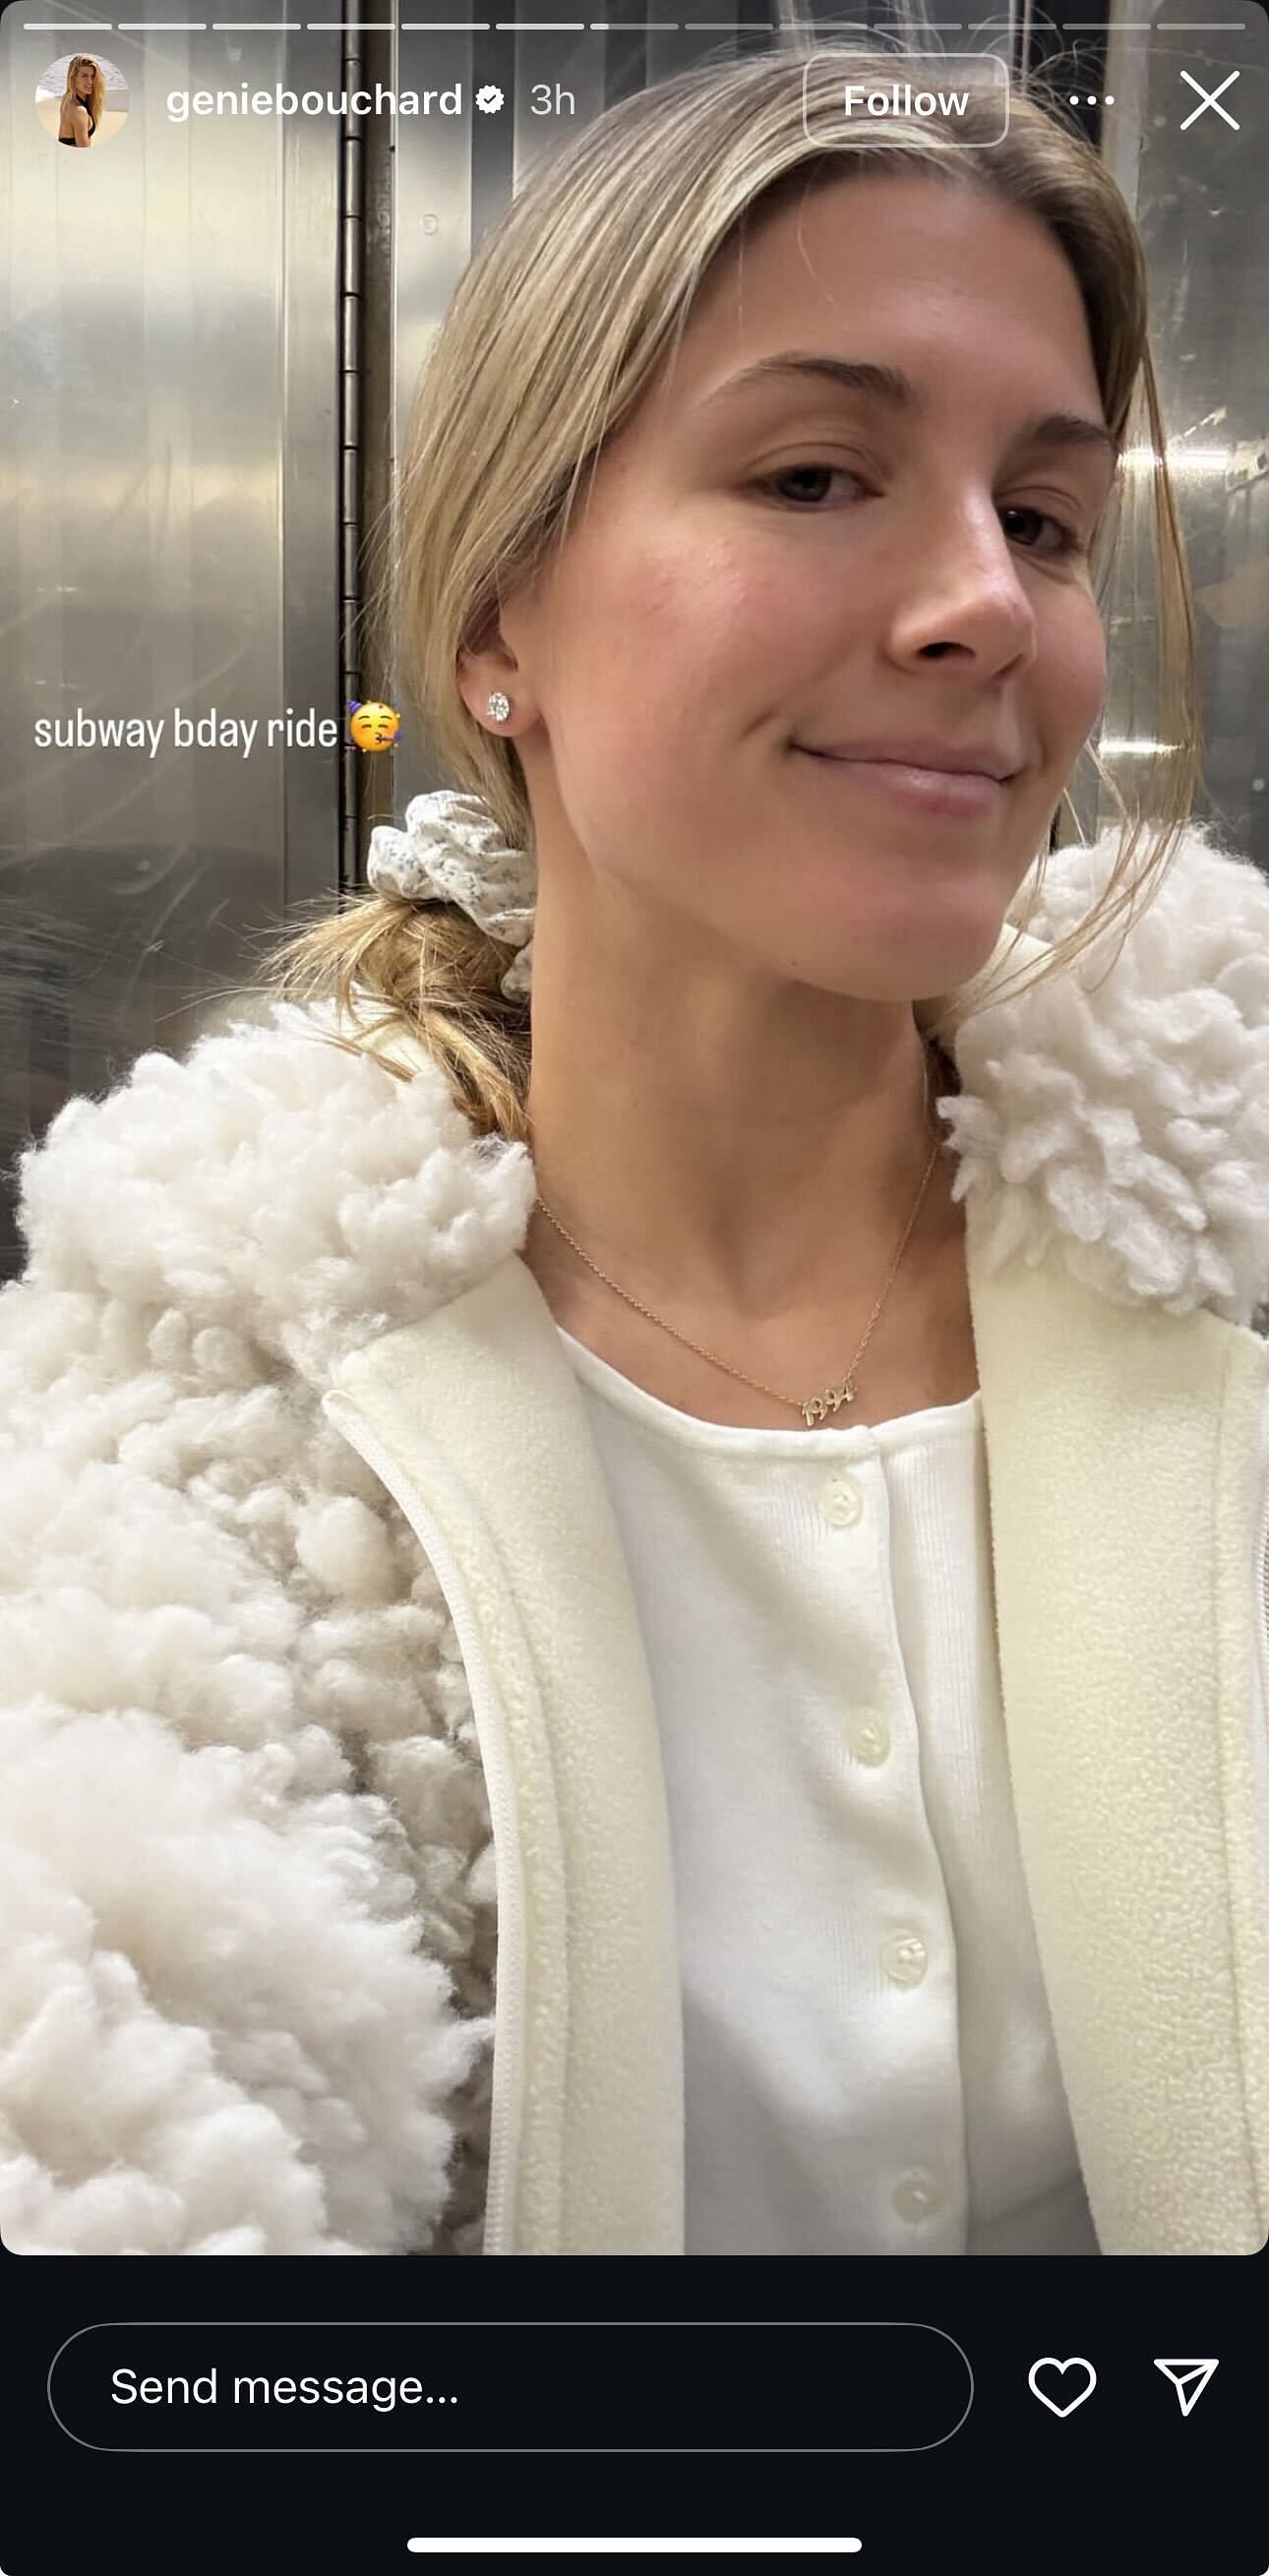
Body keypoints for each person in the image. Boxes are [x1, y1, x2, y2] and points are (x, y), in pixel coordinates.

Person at [2, 42, 1267, 2260]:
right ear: (500, 627)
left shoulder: (1228, 1256)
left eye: (1047, 518)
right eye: (813, 476)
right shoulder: (199, 1437)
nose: (985, 600)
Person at [57, 56, 100, 148]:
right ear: (73, 78)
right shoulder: (79, 111)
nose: (90, 81)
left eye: (93, 76)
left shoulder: (67, 97)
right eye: (84, 76)